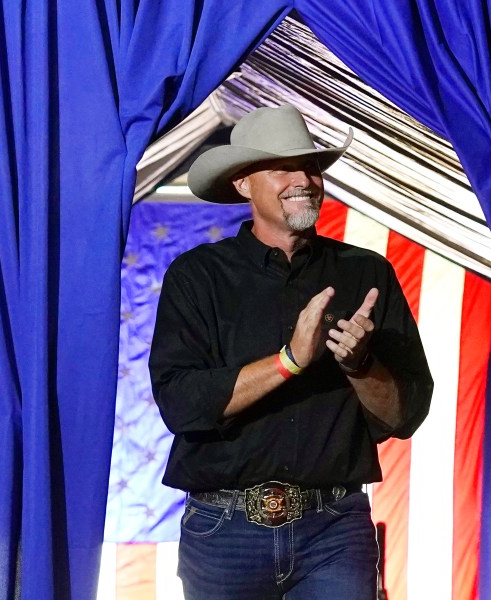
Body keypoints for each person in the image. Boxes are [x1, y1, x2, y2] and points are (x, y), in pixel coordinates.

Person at [149, 104, 433, 599]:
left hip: (334, 529)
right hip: (224, 531)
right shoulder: (197, 277)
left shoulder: (366, 274)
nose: (303, 178)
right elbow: (182, 404)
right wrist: (290, 361)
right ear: (242, 185)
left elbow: (403, 416)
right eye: (282, 167)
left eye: (311, 166)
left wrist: (360, 365)